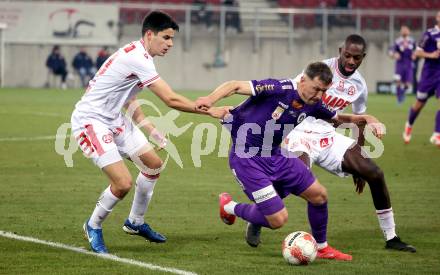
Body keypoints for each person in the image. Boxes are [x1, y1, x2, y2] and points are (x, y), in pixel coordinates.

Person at [196, 62, 386, 261]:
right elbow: (234, 85)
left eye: (323, 91)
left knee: (319, 195)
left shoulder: (314, 103)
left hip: (277, 156)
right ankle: (230, 207)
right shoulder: (279, 88)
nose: (318, 95)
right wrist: (210, 99)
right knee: (278, 219)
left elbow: (337, 119)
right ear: (303, 80)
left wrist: (367, 118)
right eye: (315, 89)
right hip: (248, 160)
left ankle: (321, 248)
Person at [71, 10, 226, 254]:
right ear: (149, 34)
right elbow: (171, 99)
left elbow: (128, 97)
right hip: (91, 121)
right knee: (122, 184)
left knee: (153, 165)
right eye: (166, 38)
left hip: (114, 119)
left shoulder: (139, 54)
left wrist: (150, 129)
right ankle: (93, 225)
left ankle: (135, 222)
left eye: (172, 39)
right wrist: (210, 111)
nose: (170, 44)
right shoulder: (138, 59)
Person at [282, 34, 416, 253]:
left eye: (356, 57)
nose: (351, 61)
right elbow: (294, 91)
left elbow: (359, 121)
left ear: (363, 57)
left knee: (374, 173)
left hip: (327, 135)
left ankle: (391, 237)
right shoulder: (321, 69)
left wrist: (359, 161)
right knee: (294, 182)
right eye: (347, 55)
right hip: (299, 131)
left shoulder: (359, 85)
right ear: (340, 51)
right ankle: (257, 218)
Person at [403, 11, 440, 146]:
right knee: (419, 104)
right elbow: (417, 52)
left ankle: (437, 134)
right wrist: (432, 55)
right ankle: (409, 125)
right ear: (437, 18)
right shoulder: (429, 34)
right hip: (429, 75)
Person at [389, 26, 416, 104]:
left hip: (409, 64)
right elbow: (391, 51)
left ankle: (402, 93)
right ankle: (398, 98)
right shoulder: (397, 41)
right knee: (398, 81)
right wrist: (394, 55)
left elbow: (417, 51)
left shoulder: (412, 41)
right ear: (400, 32)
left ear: (409, 32)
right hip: (399, 64)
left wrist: (415, 55)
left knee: (407, 84)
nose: (404, 31)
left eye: (406, 30)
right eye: (403, 30)